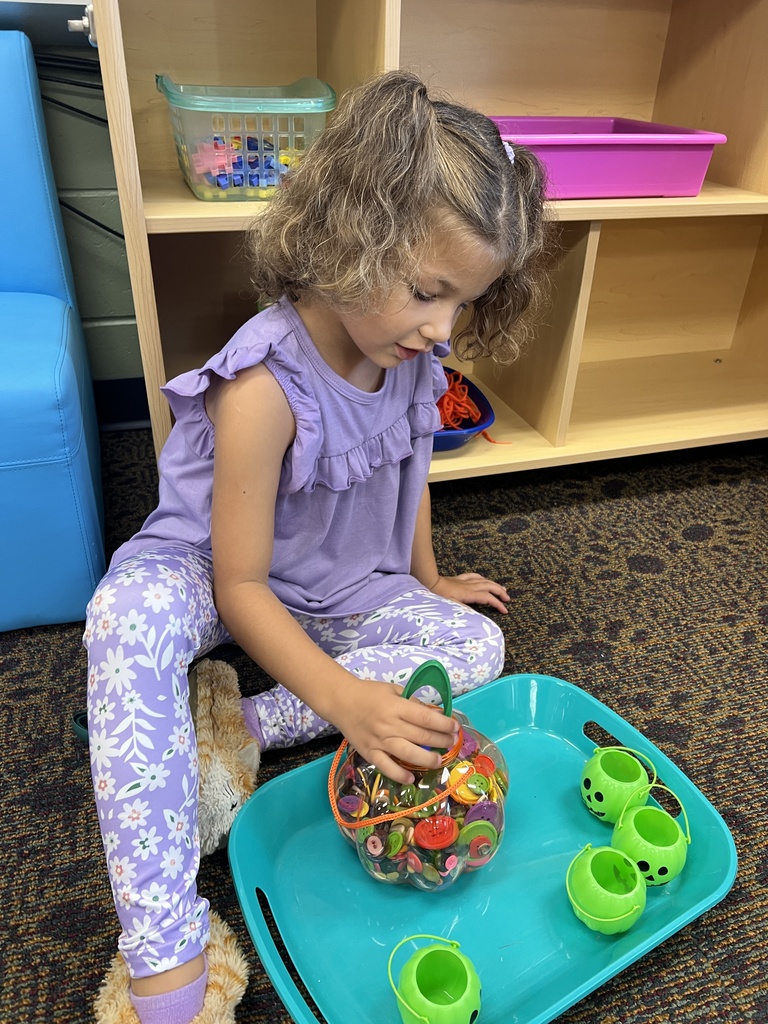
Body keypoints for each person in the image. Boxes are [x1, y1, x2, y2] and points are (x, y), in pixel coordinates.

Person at [84, 70, 550, 1024]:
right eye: (428, 292)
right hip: (219, 571)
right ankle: (165, 944)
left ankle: (239, 728)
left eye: (463, 302)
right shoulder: (263, 385)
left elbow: (410, 470)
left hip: (339, 582)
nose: (442, 328)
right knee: (121, 621)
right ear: (352, 239)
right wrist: (347, 701)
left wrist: (428, 579)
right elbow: (239, 579)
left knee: (475, 646)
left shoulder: (412, 355)